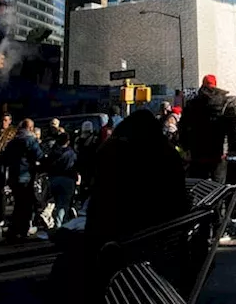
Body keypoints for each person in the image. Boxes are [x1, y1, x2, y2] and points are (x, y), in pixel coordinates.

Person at [64, 109, 191, 302]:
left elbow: (101, 194)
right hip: (152, 232)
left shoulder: (111, 150)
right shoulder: (163, 152)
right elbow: (177, 199)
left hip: (115, 233)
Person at [178, 75, 236, 182]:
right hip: (219, 153)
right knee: (218, 186)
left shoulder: (192, 104)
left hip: (197, 152)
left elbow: (183, 127)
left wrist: (185, 148)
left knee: (199, 187)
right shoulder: (226, 103)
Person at [1, 118, 44, 239]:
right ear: (30, 128)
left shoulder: (13, 141)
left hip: (14, 176)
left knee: (18, 203)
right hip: (26, 176)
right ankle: (23, 228)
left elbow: (5, 158)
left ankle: (14, 228)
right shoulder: (30, 140)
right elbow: (39, 155)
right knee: (26, 204)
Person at [44, 130, 79, 227]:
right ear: (68, 141)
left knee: (57, 202)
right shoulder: (71, 153)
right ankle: (61, 225)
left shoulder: (53, 152)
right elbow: (76, 165)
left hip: (54, 179)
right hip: (67, 179)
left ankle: (57, 222)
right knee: (64, 205)